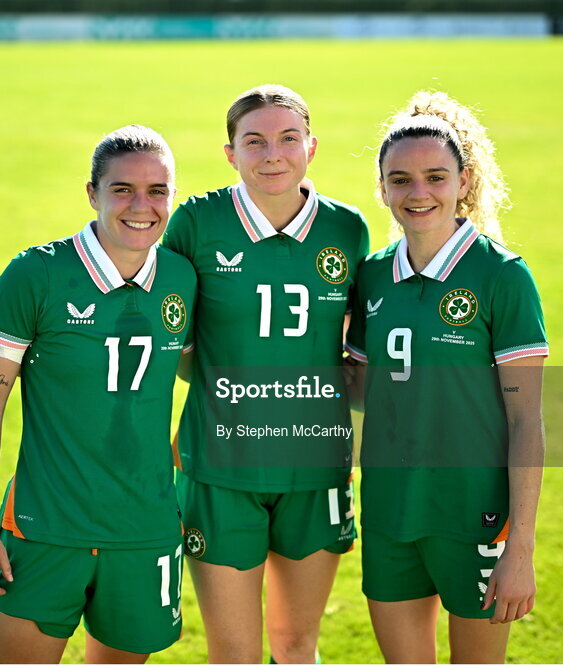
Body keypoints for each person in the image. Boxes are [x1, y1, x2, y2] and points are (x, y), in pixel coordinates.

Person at [0, 125, 196, 664]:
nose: (142, 206)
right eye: (122, 190)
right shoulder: (35, 275)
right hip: (45, 529)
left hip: (145, 531)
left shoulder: (182, 278)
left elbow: (207, 373)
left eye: (158, 191)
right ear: (92, 194)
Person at [163, 84, 370, 663]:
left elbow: (350, 349)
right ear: (231, 153)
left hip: (316, 464)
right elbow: (175, 345)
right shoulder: (197, 223)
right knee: (234, 652)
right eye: (253, 141)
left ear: (312, 146)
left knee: (296, 643)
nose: (272, 154)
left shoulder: (347, 230)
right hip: (221, 467)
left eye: (287, 138)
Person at [344, 91, 547, 664]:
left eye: (436, 176)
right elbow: (366, 391)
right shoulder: (374, 275)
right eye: (400, 180)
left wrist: (521, 549)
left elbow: (526, 420)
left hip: (474, 515)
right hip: (390, 511)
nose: (418, 193)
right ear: (382, 189)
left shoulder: (500, 275)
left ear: (463, 181)